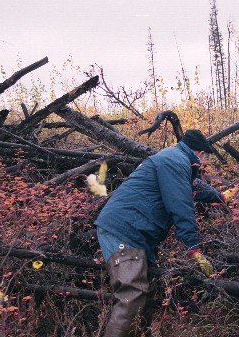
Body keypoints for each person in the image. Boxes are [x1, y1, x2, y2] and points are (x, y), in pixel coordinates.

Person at [94, 129, 223, 337]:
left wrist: (220, 196)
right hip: (124, 231)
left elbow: (193, 186)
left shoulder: (174, 159)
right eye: (206, 159)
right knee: (132, 294)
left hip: (132, 231)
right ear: (199, 153)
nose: (205, 165)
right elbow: (180, 204)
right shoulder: (175, 161)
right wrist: (193, 248)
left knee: (143, 295)